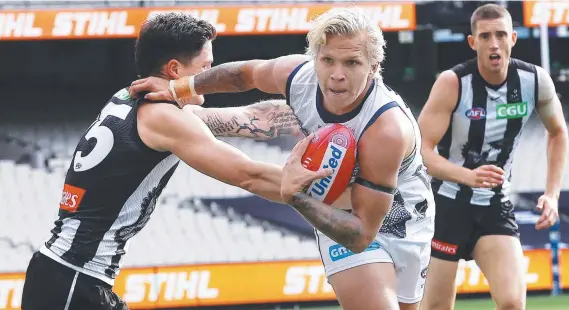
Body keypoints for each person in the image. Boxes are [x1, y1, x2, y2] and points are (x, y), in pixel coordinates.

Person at [129, 7, 435, 310]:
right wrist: (178, 88)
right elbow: (243, 75)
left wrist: (296, 198)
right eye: (327, 60)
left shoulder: (387, 129)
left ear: (373, 66)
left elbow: (362, 231)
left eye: (352, 62)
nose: (337, 74)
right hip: (339, 214)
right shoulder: (299, 75)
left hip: (405, 219)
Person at [20, 13, 328, 310]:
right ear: (174, 69)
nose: (211, 75)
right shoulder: (163, 117)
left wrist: (326, 111)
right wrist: (329, 192)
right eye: (206, 66)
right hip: (75, 281)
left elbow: (251, 118)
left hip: (66, 277)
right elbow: (249, 176)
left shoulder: (133, 99)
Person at [416, 4, 568, 310]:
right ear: (473, 43)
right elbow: (420, 151)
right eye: (485, 36)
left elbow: (558, 133)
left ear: (512, 38)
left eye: (500, 34)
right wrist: (468, 177)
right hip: (446, 206)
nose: (494, 43)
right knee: (435, 308)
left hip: (495, 206)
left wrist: (551, 195)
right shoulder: (452, 83)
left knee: (513, 302)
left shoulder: (534, 81)